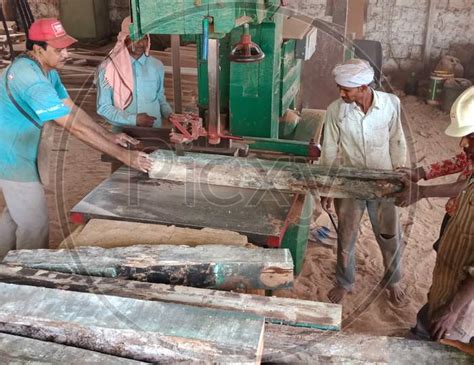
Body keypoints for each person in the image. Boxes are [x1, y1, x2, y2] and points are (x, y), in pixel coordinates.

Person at [0, 18, 152, 258]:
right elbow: (74, 128)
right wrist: (125, 156)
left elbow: (73, 110)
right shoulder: (30, 80)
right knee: (34, 224)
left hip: (24, 145)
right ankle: (25, 276)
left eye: (67, 47)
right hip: (10, 154)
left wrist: (109, 137)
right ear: (38, 49)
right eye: (59, 50)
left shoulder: (47, 70)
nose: (66, 54)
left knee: (16, 212)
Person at [319, 59, 408, 304]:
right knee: (346, 235)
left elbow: (397, 141)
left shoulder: (391, 104)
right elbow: (328, 150)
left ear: (363, 86)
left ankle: (393, 280)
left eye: (346, 89)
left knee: (389, 235)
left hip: (384, 182)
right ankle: (345, 282)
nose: (341, 93)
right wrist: (327, 187)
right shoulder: (335, 110)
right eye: (340, 88)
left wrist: (401, 178)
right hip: (350, 182)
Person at [391, 87, 473, 346]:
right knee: (443, 284)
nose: (464, 144)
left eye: (469, 137)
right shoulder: (472, 156)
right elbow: (460, 165)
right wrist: (421, 172)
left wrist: (452, 311)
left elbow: (459, 187)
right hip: (458, 228)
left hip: (461, 309)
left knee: (451, 334)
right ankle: (424, 328)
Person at [96, 17, 173, 132]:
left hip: (154, 132)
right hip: (124, 132)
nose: (140, 43)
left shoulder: (157, 66)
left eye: (144, 38)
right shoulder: (109, 69)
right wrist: (134, 119)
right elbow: (104, 108)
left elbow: (160, 99)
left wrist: (170, 114)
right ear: (124, 39)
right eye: (134, 38)